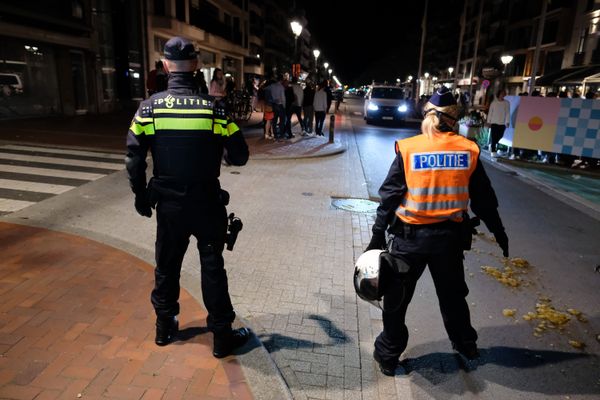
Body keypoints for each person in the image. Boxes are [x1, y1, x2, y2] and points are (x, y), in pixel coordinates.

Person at [366, 86, 508, 376]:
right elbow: (483, 199)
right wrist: (499, 231)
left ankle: (388, 355)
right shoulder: (467, 150)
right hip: (448, 241)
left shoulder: (410, 147)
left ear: (426, 115)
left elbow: (390, 196)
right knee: (453, 296)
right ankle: (466, 344)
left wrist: (377, 235)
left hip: (409, 240)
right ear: (455, 119)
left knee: (396, 300)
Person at [125, 36, 250, 358]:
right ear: (195, 65)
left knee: (167, 266)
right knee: (212, 267)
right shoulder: (214, 109)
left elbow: (134, 157)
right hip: (207, 204)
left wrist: (141, 195)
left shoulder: (149, 108)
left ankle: (165, 328)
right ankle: (222, 336)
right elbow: (240, 156)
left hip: (169, 206)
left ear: (166, 66)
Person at [486, 89, 510, 158]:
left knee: (500, 136)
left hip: (502, 123)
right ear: (498, 94)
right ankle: (493, 151)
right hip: (494, 122)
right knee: (494, 137)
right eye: (502, 93)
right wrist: (489, 122)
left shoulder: (507, 103)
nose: (503, 95)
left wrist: (507, 122)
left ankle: (493, 145)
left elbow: (508, 113)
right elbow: (490, 112)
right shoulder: (494, 103)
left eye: (504, 93)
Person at [270, 74, 286, 139]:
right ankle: (281, 134)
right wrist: (284, 106)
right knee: (282, 120)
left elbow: (271, 95)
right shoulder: (281, 87)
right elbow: (283, 98)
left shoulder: (272, 86)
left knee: (274, 120)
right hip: (280, 104)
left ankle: (275, 134)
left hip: (274, 104)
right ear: (281, 80)